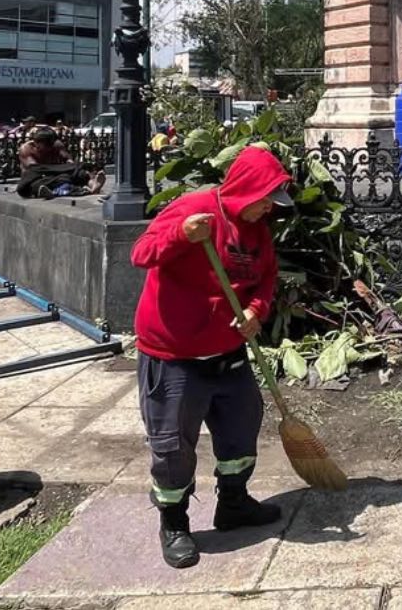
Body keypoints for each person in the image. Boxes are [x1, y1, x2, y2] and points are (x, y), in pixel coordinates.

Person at [131, 146, 295, 569]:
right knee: (172, 447)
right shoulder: (194, 209)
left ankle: (234, 504)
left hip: (228, 351)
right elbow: (141, 254)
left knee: (242, 426)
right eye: (265, 201)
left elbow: (267, 276)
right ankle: (175, 523)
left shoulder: (257, 230)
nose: (268, 210)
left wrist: (257, 311)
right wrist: (181, 235)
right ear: (247, 190)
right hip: (174, 355)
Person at [17, 127, 105, 198]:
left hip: (58, 175)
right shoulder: (26, 149)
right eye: (45, 147)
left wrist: (72, 167)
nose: (49, 149)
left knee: (80, 173)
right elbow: (36, 169)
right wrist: (66, 168)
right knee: (36, 184)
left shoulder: (56, 145)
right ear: (37, 143)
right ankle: (49, 191)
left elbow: (69, 161)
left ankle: (94, 186)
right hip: (39, 178)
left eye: (50, 146)